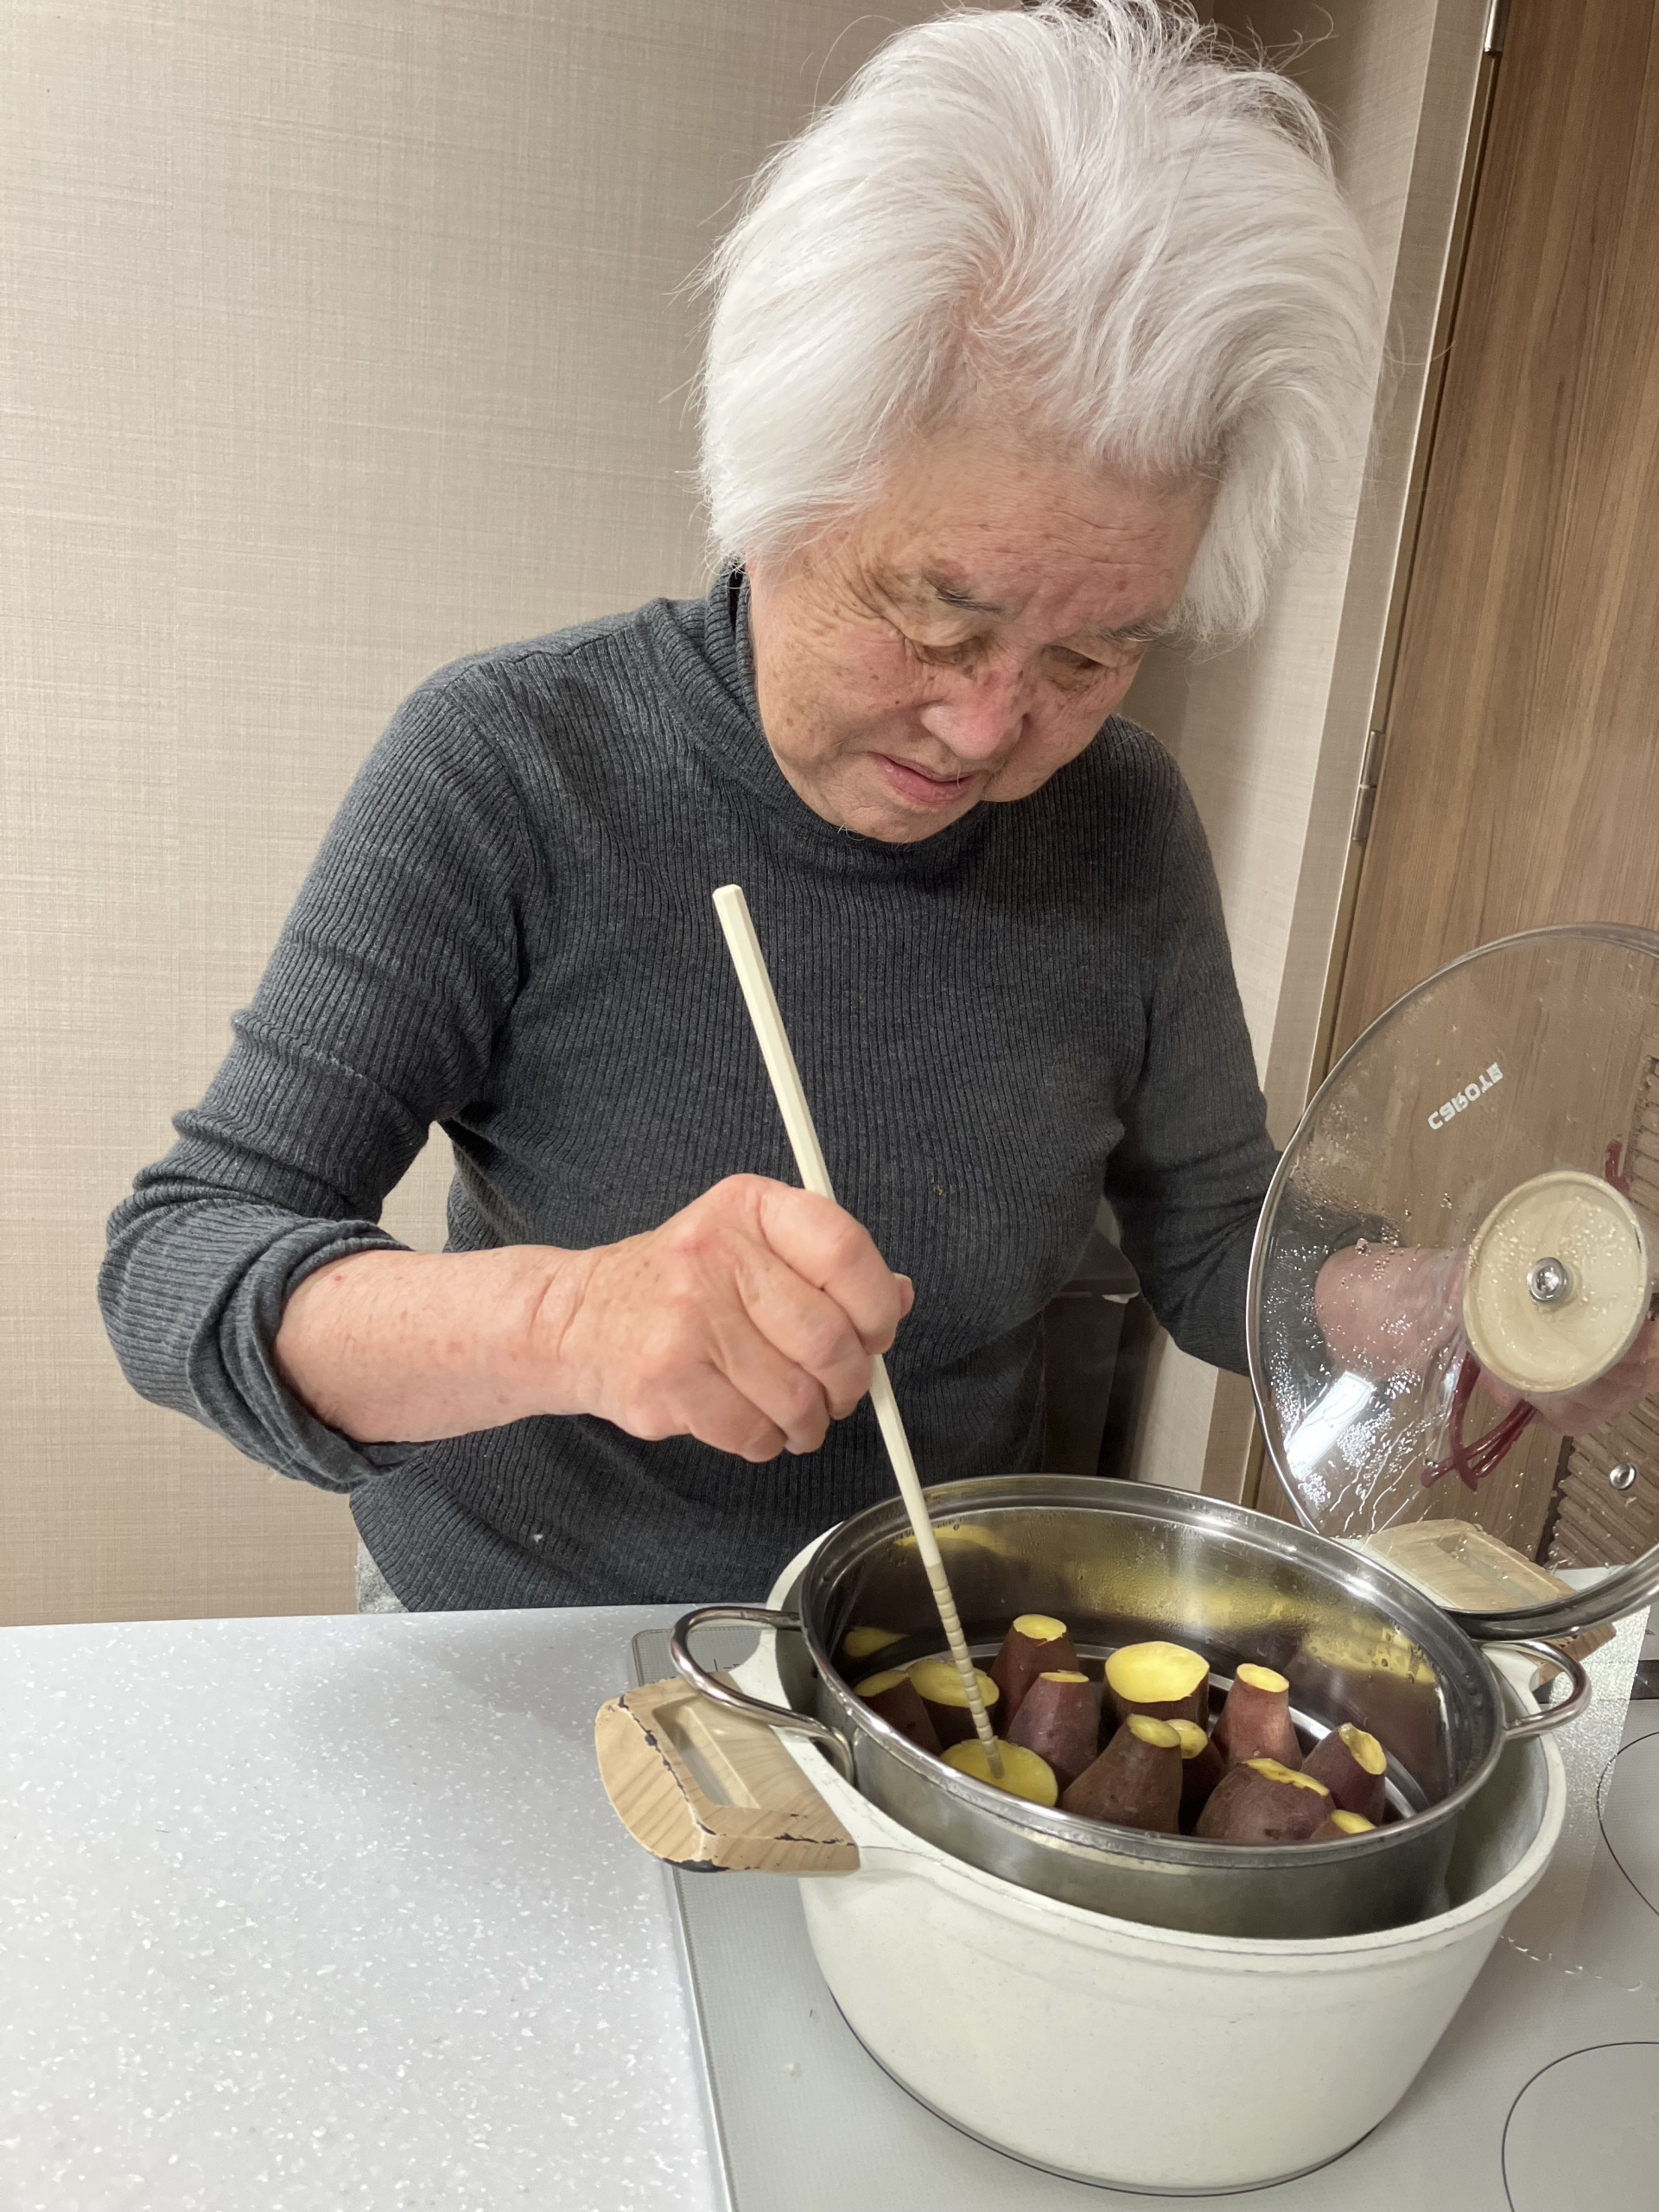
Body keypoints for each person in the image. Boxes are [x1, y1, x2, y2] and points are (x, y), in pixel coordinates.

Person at [100, 3, 1383, 1612]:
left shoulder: (1122, 820)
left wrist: (1431, 1311)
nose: (991, 728)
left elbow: (1210, 1239)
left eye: (1091, 654)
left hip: (917, 1647)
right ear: (775, 497)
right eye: (938, 617)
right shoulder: (513, 765)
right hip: (522, 1634)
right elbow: (181, 1263)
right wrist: (568, 1321)